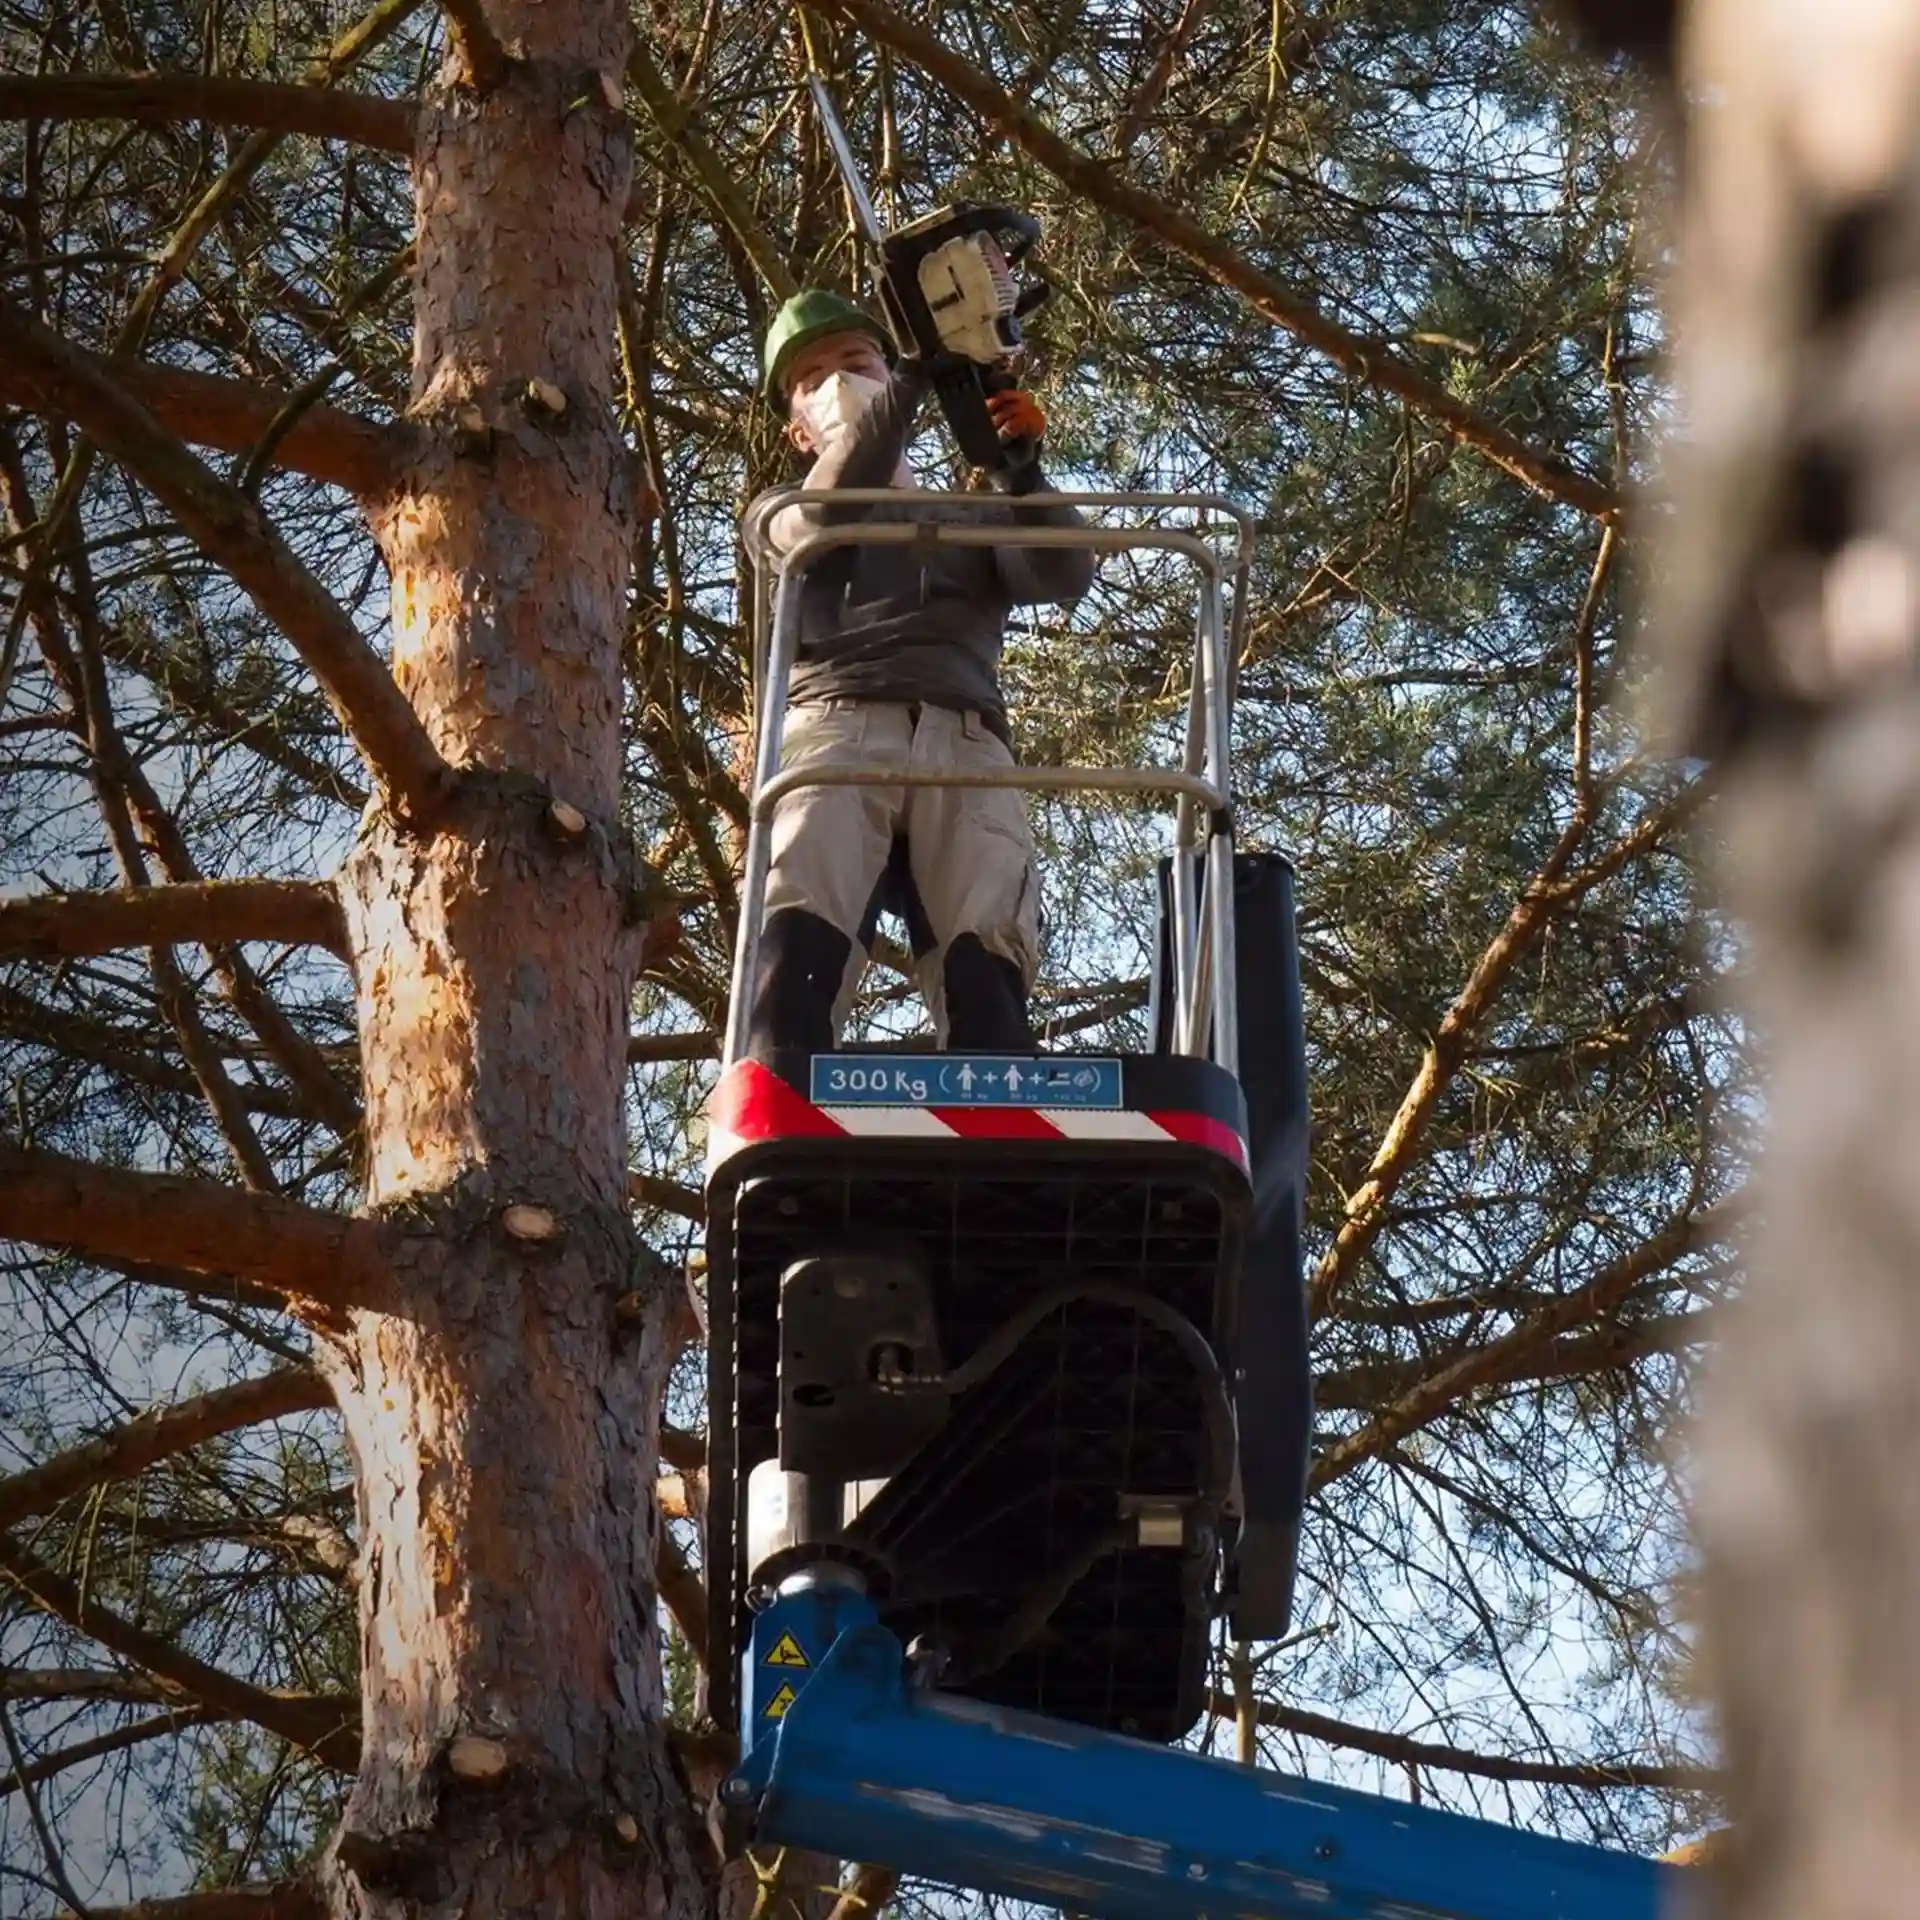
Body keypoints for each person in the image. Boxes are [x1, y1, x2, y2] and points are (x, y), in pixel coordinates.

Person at [746, 287, 1096, 1059]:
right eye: (813, 378)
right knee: (806, 901)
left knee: (986, 925)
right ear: (796, 430)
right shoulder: (784, 514)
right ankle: (783, 1079)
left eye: (855, 361)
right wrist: (907, 376)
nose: (839, 380)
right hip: (836, 729)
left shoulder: (965, 517)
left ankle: (996, 1090)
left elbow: (1065, 571)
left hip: (965, 739)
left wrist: (1020, 474)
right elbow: (838, 504)